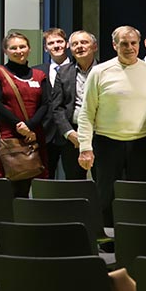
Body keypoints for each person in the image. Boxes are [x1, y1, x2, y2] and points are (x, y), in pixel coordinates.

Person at [78, 26, 146, 223]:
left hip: (142, 144)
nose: (129, 48)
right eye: (124, 43)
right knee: (106, 197)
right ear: (114, 45)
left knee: (139, 196)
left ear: (139, 44)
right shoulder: (99, 72)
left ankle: (137, 236)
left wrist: (142, 128)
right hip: (106, 143)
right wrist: (85, 148)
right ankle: (108, 241)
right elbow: (86, 112)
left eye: (133, 43)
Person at [0, 32, 52, 193]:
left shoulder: (39, 76)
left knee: (37, 181)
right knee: (6, 186)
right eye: (13, 48)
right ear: (6, 51)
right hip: (8, 136)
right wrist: (18, 126)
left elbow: (45, 104)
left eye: (22, 46)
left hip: (34, 136)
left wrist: (29, 126)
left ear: (29, 49)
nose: (19, 51)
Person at [50, 29, 98, 180]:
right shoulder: (63, 72)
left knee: (103, 181)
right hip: (73, 135)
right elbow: (56, 107)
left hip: (101, 134)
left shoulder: (106, 71)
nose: (79, 46)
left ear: (94, 46)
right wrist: (69, 133)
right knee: (74, 182)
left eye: (84, 42)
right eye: (75, 44)